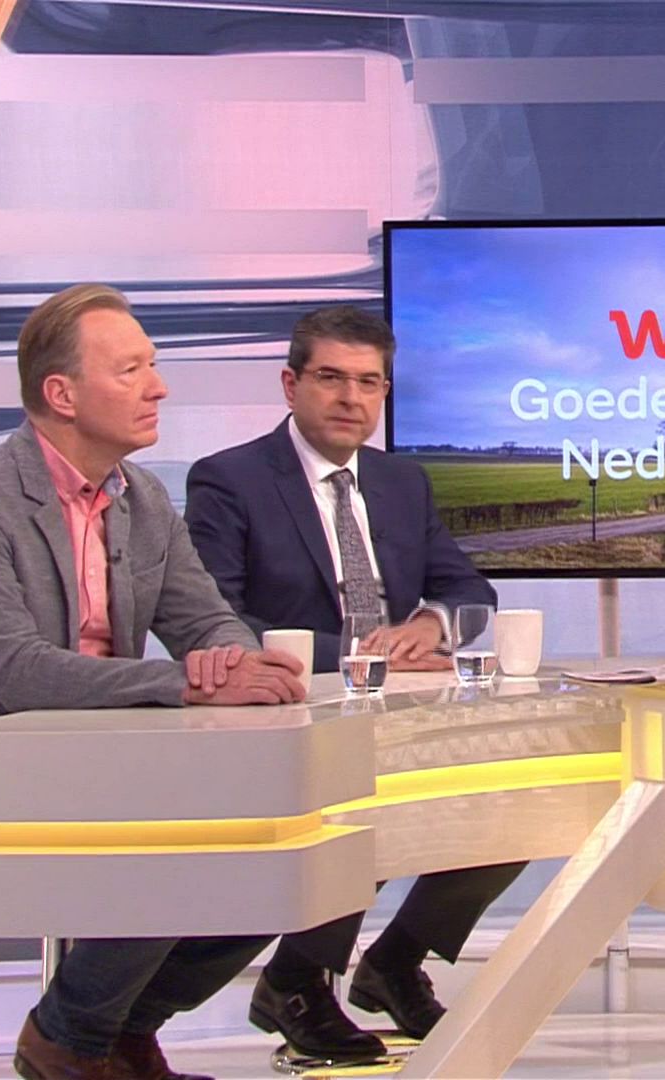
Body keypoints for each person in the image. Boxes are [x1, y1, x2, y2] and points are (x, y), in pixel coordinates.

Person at [0, 284, 311, 1080]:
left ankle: (114, 1034)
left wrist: (230, 659)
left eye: (153, 365)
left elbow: (209, 621)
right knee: (176, 840)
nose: (159, 387)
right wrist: (185, 684)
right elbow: (18, 671)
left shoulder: (142, 498)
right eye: (131, 370)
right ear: (62, 394)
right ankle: (68, 1040)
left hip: (108, 764)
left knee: (282, 853)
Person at [184, 305, 524, 1062]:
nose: (351, 399)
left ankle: (394, 962)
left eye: (370, 383)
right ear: (290, 384)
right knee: (356, 799)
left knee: (519, 798)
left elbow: (468, 588)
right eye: (332, 378)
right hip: (295, 716)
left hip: (402, 712)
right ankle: (297, 983)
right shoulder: (230, 479)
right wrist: (361, 660)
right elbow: (214, 615)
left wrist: (430, 624)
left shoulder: (402, 482)